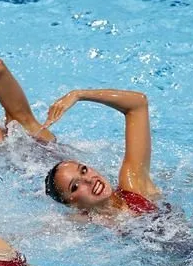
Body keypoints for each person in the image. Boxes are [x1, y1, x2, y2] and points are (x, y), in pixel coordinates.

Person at [43, 89, 161, 218]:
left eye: (83, 170)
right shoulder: (81, 224)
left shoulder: (134, 187)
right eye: (75, 186)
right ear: (73, 205)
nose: (88, 180)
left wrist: (79, 94)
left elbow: (138, 104)